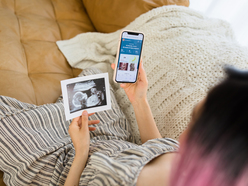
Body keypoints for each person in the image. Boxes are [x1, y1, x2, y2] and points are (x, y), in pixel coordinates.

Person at [65, 61, 248, 186]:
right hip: (108, 145)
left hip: (72, 163)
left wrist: (81, 152)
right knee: (93, 76)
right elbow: (159, 150)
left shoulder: (124, 178)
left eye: (193, 120)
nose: (185, 131)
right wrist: (139, 100)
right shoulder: (201, 170)